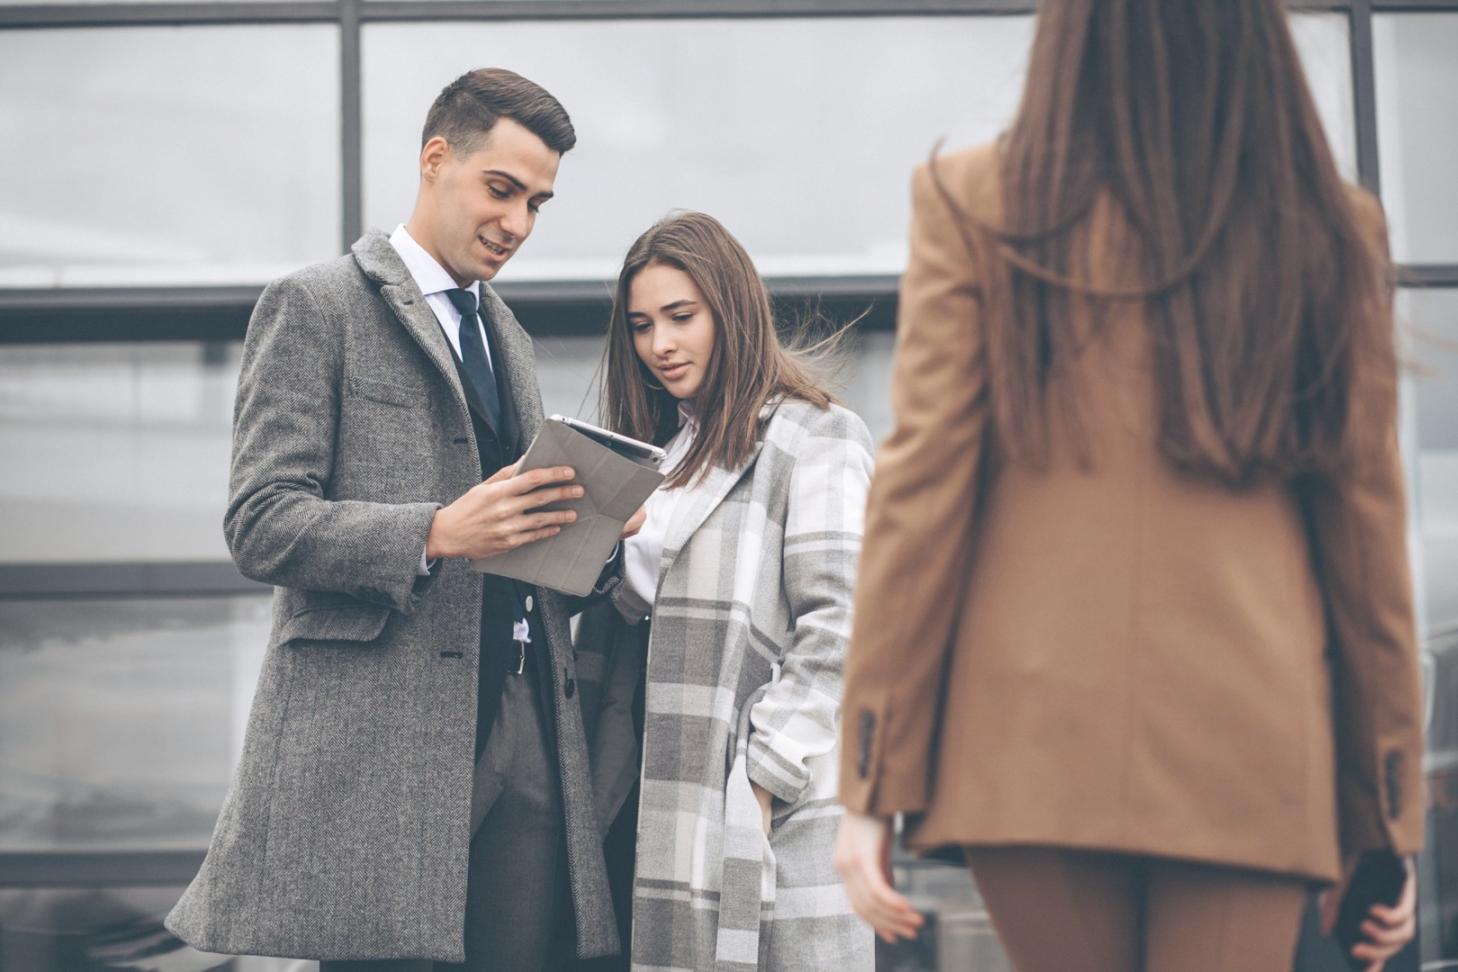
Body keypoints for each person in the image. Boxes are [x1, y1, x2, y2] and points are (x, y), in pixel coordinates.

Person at [832, 1, 1425, 970]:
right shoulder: (1326, 226)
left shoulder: (975, 202)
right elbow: (1365, 546)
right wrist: (1385, 809)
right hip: (1250, 749)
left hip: (1029, 747)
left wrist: (871, 778)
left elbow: (921, 497)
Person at [165, 68, 640, 970]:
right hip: (384, 747)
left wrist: (594, 538)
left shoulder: (510, 336)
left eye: (537, 204)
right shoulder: (317, 306)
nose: (517, 223)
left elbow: (511, 543)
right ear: (435, 159)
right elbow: (261, 520)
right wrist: (433, 533)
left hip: (527, 724)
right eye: (501, 189)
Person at [572, 212, 876, 970]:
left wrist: (764, 778)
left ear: (731, 310)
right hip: (646, 770)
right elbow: (637, 608)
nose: (660, 345)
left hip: (752, 779)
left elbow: (845, 623)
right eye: (642, 325)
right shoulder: (659, 449)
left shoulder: (816, 434)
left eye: (682, 316)